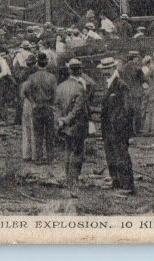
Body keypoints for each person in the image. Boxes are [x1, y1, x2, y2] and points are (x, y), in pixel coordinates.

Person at [97, 57, 136, 193]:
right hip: (108, 130)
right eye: (103, 69)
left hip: (118, 130)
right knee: (111, 156)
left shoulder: (120, 85)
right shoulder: (109, 84)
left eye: (107, 69)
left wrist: (120, 125)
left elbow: (128, 109)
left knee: (122, 157)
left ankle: (127, 185)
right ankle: (116, 182)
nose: (104, 72)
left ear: (113, 69)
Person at [55, 58, 90, 190]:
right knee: (77, 152)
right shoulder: (80, 88)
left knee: (68, 150)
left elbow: (57, 106)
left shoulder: (60, 87)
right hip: (77, 125)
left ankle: (68, 178)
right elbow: (78, 110)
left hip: (64, 125)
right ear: (80, 71)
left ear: (70, 70)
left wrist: (60, 120)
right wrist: (67, 119)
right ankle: (73, 180)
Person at [20, 53, 58, 163]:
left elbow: (25, 92)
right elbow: (55, 94)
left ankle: (39, 158)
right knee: (49, 134)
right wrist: (52, 104)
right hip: (48, 107)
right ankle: (50, 157)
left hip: (36, 107)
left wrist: (33, 102)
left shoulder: (32, 77)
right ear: (46, 63)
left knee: (38, 134)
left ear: (38, 63)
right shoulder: (52, 77)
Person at [121, 51, 147, 135]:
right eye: (137, 57)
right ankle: (138, 129)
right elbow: (143, 79)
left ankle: (129, 129)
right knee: (138, 111)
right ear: (134, 58)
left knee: (128, 110)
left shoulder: (124, 67)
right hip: (137, 92)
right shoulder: (137, 67)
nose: (138, 59)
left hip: (127, 92)